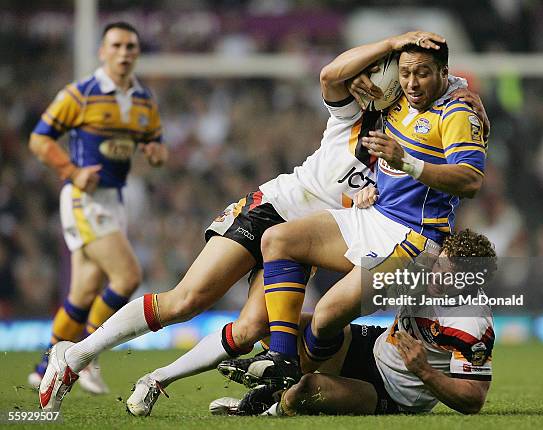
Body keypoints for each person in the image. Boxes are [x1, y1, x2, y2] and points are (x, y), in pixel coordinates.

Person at [38, 31, 487, 413]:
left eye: (399, 79)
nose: (393, 85)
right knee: (186, 299)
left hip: (310, 239)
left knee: (254, 328)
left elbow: (436, 160)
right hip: (276, 208)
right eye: (394, 76)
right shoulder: (354, 115)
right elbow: (331, 76)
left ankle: (158, 379)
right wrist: (393, 41)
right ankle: (75, 356)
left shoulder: (407, 131)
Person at [218, 31, 489, 391]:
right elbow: (332, 75)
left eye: (422, 73)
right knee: (278, 239)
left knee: (327, 317)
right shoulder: (395, 94)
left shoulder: (456, 112)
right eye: (405, 72)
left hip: (416, 241)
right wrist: (374, 63)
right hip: (373, 217)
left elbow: (470, 181)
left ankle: (295, 386)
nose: (411, 82)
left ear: (443, 72)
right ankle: (282, 363)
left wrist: (407, 163)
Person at [213, 229, 497, 416]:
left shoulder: (471, 324)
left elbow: (473, 399)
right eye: (440, 265)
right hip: (374, 345)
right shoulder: (425, 265)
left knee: (307, 390)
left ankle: (260, 407)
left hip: (395, 392)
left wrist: (423, 370)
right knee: (282, 324)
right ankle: (274, 380)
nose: (437, 276)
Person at [28, 21, 167, 394]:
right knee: (127, 276)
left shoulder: (143, 100)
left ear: (137, 53)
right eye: (117, 46)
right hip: (84, 199)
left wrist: (155, 152)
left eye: (131, 47)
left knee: (84, 292)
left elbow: (155, 142)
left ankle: (44, 368)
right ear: (102, 52)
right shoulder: (81, 94)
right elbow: (40, 140)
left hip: (114, 200)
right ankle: (84, 359)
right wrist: (71, 170)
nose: (124, 53)